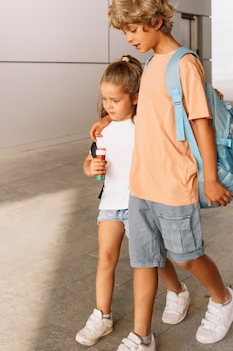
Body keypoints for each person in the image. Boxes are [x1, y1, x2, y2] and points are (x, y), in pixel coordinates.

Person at [92, 0, 233, 350]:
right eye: (125, 30)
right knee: (144, 260)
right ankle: (142, 337)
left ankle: (223, 299)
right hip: (140, 184)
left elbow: (201, 122)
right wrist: (107, 121)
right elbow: (144, 111)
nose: (128, 38)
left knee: (188, 256)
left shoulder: (183, 64)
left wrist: (209, 178)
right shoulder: (151, 64)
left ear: (156, 21)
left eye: (132, 29)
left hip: (175, 182)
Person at [76, 55, 190, 347]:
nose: (108, 106)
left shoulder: (144, 125)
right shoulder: (103, 131)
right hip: (110, 204)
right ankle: (102, 315)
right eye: (104, 100)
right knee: (106, 259)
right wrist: (92, 168)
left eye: (115, 100)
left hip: (141, 203)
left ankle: (177, 291)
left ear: (135, 98)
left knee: (154, 258)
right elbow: (89, 162)